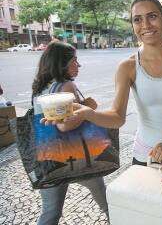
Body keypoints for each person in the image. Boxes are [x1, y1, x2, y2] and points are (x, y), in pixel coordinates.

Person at [46, 0, 162, 174]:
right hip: (146, 155)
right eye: (137, 19)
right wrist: (87, 114)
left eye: (152, 16)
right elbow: (117, 117)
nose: (146, 25)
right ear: (133, 26)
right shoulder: (127, 66)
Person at [32, 42, 108, 225]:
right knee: (107, 203)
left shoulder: (42, 87)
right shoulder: (65, 86)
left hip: (49, 158)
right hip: (79, 154)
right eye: (75, 60)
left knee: (50, 212)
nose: (78, 65)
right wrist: (89, 106)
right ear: (62, 63)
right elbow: (65, 126)